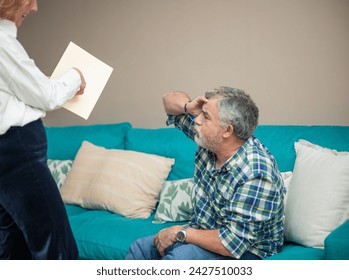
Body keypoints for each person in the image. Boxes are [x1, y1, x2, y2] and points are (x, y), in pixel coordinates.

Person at [125, 86, 285, 260]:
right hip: (205, 233)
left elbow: (232, 243)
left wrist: (181, 232)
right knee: (140, 249)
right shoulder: (210, 141)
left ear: (227, 131)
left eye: (206, 116)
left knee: (178, 260)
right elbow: (167, 101)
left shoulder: (256, 172)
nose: (197, 120)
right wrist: (188, 106)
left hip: (247, 251)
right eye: (200, 113)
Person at [0, 0, 86, 259]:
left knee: (13, 243)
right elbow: (47, 96)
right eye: (30, 0)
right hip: (18, 156)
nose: (34, 8)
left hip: (8, 158)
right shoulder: (3, 44)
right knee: (57, 247)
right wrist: (75, 76)